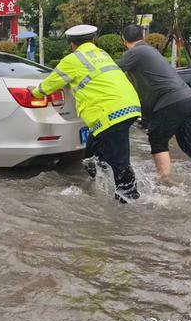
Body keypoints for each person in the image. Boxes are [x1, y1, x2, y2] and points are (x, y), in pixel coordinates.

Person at [31, 25, 142, 203]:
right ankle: (101, 187)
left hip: (111, 114)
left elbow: (50, 84)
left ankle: (129, 202)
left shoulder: (72, 60)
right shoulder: (101, 54)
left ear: (72, 44)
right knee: (91, 156)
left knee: (119, 161)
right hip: (128, 105)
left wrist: (34, 93)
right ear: (93, 40)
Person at [119, 25, 191, 177]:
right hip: (189, 99)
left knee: (157, 141)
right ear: (143, 37)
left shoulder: (134, 53)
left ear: (124, 40)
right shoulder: (151, 51)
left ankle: (164, 183)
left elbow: (112, 72)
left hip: (171, 102)